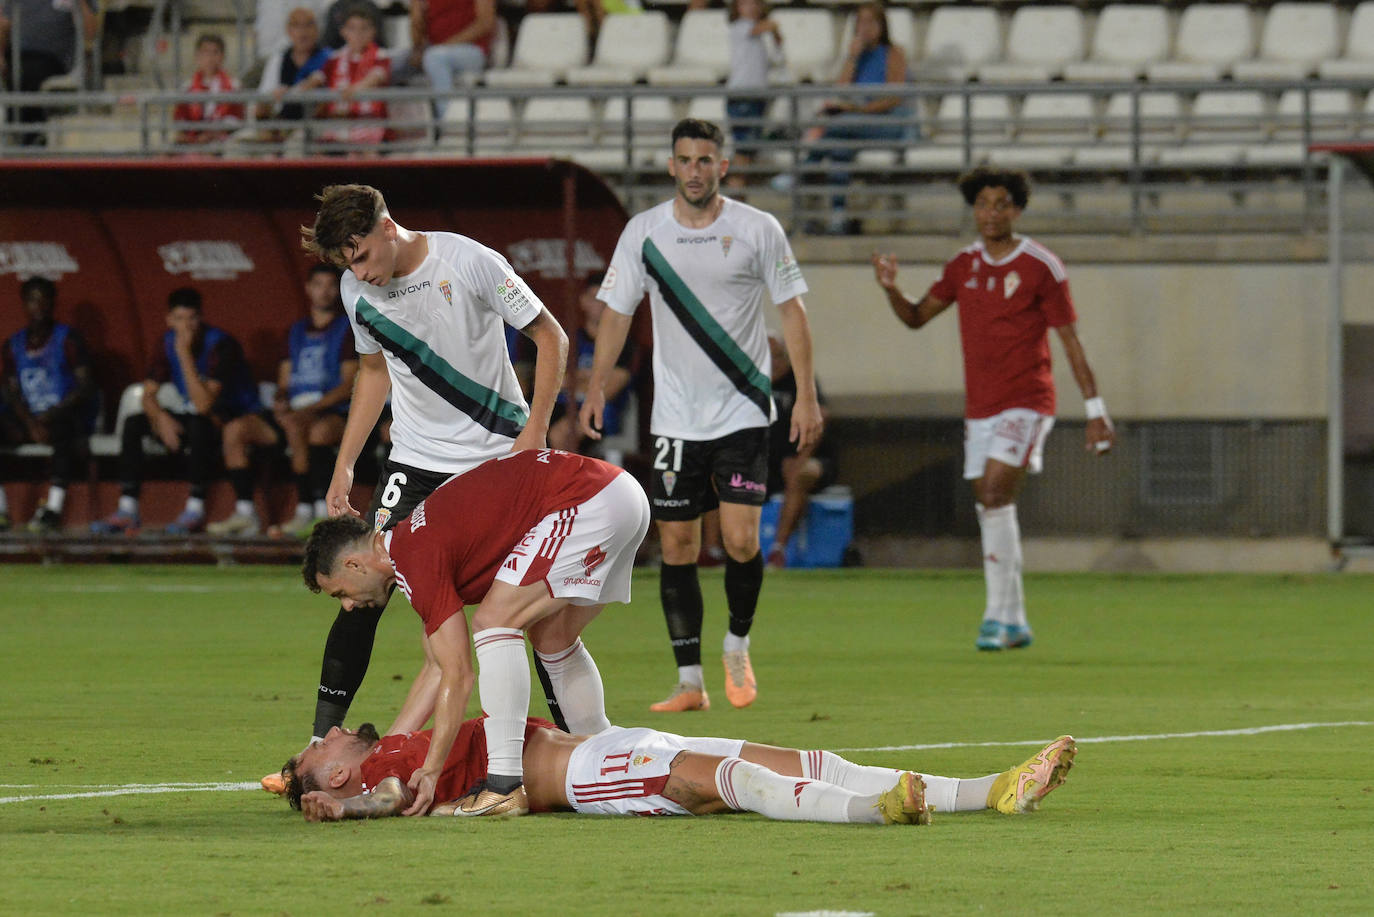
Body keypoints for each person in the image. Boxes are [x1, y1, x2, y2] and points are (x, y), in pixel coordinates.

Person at [295, 182, 568, 754]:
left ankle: (574, 745)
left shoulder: (470, 263)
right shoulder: (355, 290)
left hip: (497, 458)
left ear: (387, 228)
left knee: (526, 612)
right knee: (359, 593)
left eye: (362, 255)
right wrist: (345, 464)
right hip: (415, 463)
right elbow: (373, 373)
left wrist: (535, 431)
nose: (359, 272)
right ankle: (321, 745)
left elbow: (551, 336)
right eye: (347, 262)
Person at [579, 118, 823, 714]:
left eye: (705, 159)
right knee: (678, 544)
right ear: (671, 166)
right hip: (675, 420)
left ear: (723, 166)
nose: (694, 170)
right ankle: (690, 682)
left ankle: (736, 644)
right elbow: (614, 313)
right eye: (685, 159)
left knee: (741, 542)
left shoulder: (757, 229)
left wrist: (809, 395)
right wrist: (595, 388)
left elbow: (793, 314)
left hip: (743, 409)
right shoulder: (644, 233)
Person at [300, 446, 651, 817]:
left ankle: (503, 784)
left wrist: (431, 768)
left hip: (587, 501)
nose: (349, 605)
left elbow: (459, 674)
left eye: (340, 593)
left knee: (494, 622)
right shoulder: (412, 544)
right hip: (618, 494)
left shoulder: (415, 556)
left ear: (354, 564)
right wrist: (391, 749)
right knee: (552, 638)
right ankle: (601, 749)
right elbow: (437, 666)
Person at [872, 166, 1115, 651]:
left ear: (1018, 210)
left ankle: (995, 618)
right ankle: (1014, 620)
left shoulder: (1041, 265)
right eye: (982, 204)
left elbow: (1070, 341)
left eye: (1001, 204)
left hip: (1028, 400)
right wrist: (890, 288)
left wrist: (1095, 409)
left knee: (996, 490)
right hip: (981, 406)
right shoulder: (964, 265)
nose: (990, 213)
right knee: (991, 501)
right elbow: (918, 317)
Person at [283, 718, 1077, 826]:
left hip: (607, 739)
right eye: (310, 754)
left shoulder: (392, 737)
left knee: (804, 757)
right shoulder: (385, 768)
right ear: (334, 778)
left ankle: (994, 790)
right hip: (590, 772)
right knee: (710, 776)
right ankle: (875, 810)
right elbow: (390, 796)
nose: (320, 735)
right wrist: (346, 811)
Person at [92, 287, 261, 536]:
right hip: (193, 416)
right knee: (134, 423)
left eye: (192, 318)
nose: (186, 326)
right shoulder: (166, 342)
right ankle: (128, 508)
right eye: (179, 319)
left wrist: (184, 355)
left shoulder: (221, 345)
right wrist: (161, 418)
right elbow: (148, 393)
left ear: (201, 318)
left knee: (198, 424)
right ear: (169, 320)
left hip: (229, 417)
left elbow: (204, 404)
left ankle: (195, 508)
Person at [207, 264, 357, 538]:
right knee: (235, 430)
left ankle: (310, 510)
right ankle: (245, 513)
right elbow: (285, 383)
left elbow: (350, 385)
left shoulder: (348, 329)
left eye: (330, 285)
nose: (324, 292)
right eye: (318, 285)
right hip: (294, 413)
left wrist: (308, 409)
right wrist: (280, 399)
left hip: (330, 412)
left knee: (309, 428)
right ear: (308, 289)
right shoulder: (296, 331)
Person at [771, 1, 911, 235]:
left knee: (836, 126)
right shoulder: (856, 54)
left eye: (871, 22)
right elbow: (842, 89)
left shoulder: (894, 53)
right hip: (853, 124)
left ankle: (799, 173)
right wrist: (852, 58)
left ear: (882, 25)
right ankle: (838, 216)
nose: (865, 27)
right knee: (839, 150)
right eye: (861, 22)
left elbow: (894, 98)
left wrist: (859, 111)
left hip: (886, 122)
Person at [0, 277, 97, 534]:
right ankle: (1, 510)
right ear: (24, 304)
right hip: (26, 419)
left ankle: (53, 508)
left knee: (65, 429)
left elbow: (85, 387)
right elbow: (9, 389)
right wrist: (30, 422)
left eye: (44, 300)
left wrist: (48, 416)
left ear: (53, 304)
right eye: (32, 300)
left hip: (61, 415)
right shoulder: (13, 344)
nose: (38, 306)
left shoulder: (68, 340)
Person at [763, 333, 836, 569]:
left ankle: (778, 551)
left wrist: (799, 458)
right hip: (765, 462)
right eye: (767, 357)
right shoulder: (751, 382)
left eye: (778, 357)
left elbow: (821, 418)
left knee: (801, 473)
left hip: (808, 458)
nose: (773, 363)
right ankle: (715, 551)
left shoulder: (801, 381)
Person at [547, 272, 636, 458]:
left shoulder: (623, 343)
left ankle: (565, 486)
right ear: (583, 301)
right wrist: (594, 377)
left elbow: (610, 388)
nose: (600, 306)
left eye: (606, 300)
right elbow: (552, 383)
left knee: (561, 434)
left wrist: (575, 379)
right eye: (595, 299)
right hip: (559, 407)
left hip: (600, 413)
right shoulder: (568, 340)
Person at [0, 0, 98, 145]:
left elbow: (91, 34)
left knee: (28, 73)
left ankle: (30, 138)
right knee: (20, 72)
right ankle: (23, 136)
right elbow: (4, 23)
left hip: (54, 60)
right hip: (17, 57)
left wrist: (81, 3)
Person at [299, 5, 392, 149]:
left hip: (370, 127)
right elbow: (315, 79)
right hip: (337, 127)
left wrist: (354, 90)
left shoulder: (381, 56)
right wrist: (292, 90)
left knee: (369, 154)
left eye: (364, 28)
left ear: (373, 32)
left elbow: (376, 76)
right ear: (343, 32)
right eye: (352, 28)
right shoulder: (333, 59)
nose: (358, 34)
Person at [724, 0, 782, 191]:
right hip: (742, 97)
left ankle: (739, 196)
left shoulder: (761, 36)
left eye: (755, 2)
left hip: (757, 99)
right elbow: (756, 29)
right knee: (743, 152)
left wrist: (775, 34)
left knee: (748, 154)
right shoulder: (738, 27)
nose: (752, 7)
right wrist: (773, 27)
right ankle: (734, 195)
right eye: (745, 3)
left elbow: (779, 58)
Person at [253, 6, 331, 141]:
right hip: (283, 121)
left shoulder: (329, 58)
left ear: (317, 30)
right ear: (288, 31)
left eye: (308, 25)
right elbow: (264, 97)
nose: (303, 32)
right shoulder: (278, 59)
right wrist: (274, 96)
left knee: (296, 144)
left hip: (316, 124)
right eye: (297, 26)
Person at [409, 0, 496, 118]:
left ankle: (447, 122)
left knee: (434, 58)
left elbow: (486, 23)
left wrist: (444, 46)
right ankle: (381, 127)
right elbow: (418, 37)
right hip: (434, 50)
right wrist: (416, 15)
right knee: (393, 63)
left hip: (473, 51)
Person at [172, 34, 246, 147]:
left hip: (223, 140)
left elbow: (235, 119)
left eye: (215, 52)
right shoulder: (187, 87)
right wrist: (189, 137)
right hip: (192, 140)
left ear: (222, 56)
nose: (210, 58)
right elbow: (180, 118)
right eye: (205, 52)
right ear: (197, 56)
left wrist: (211, 134)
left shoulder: (234, 86)